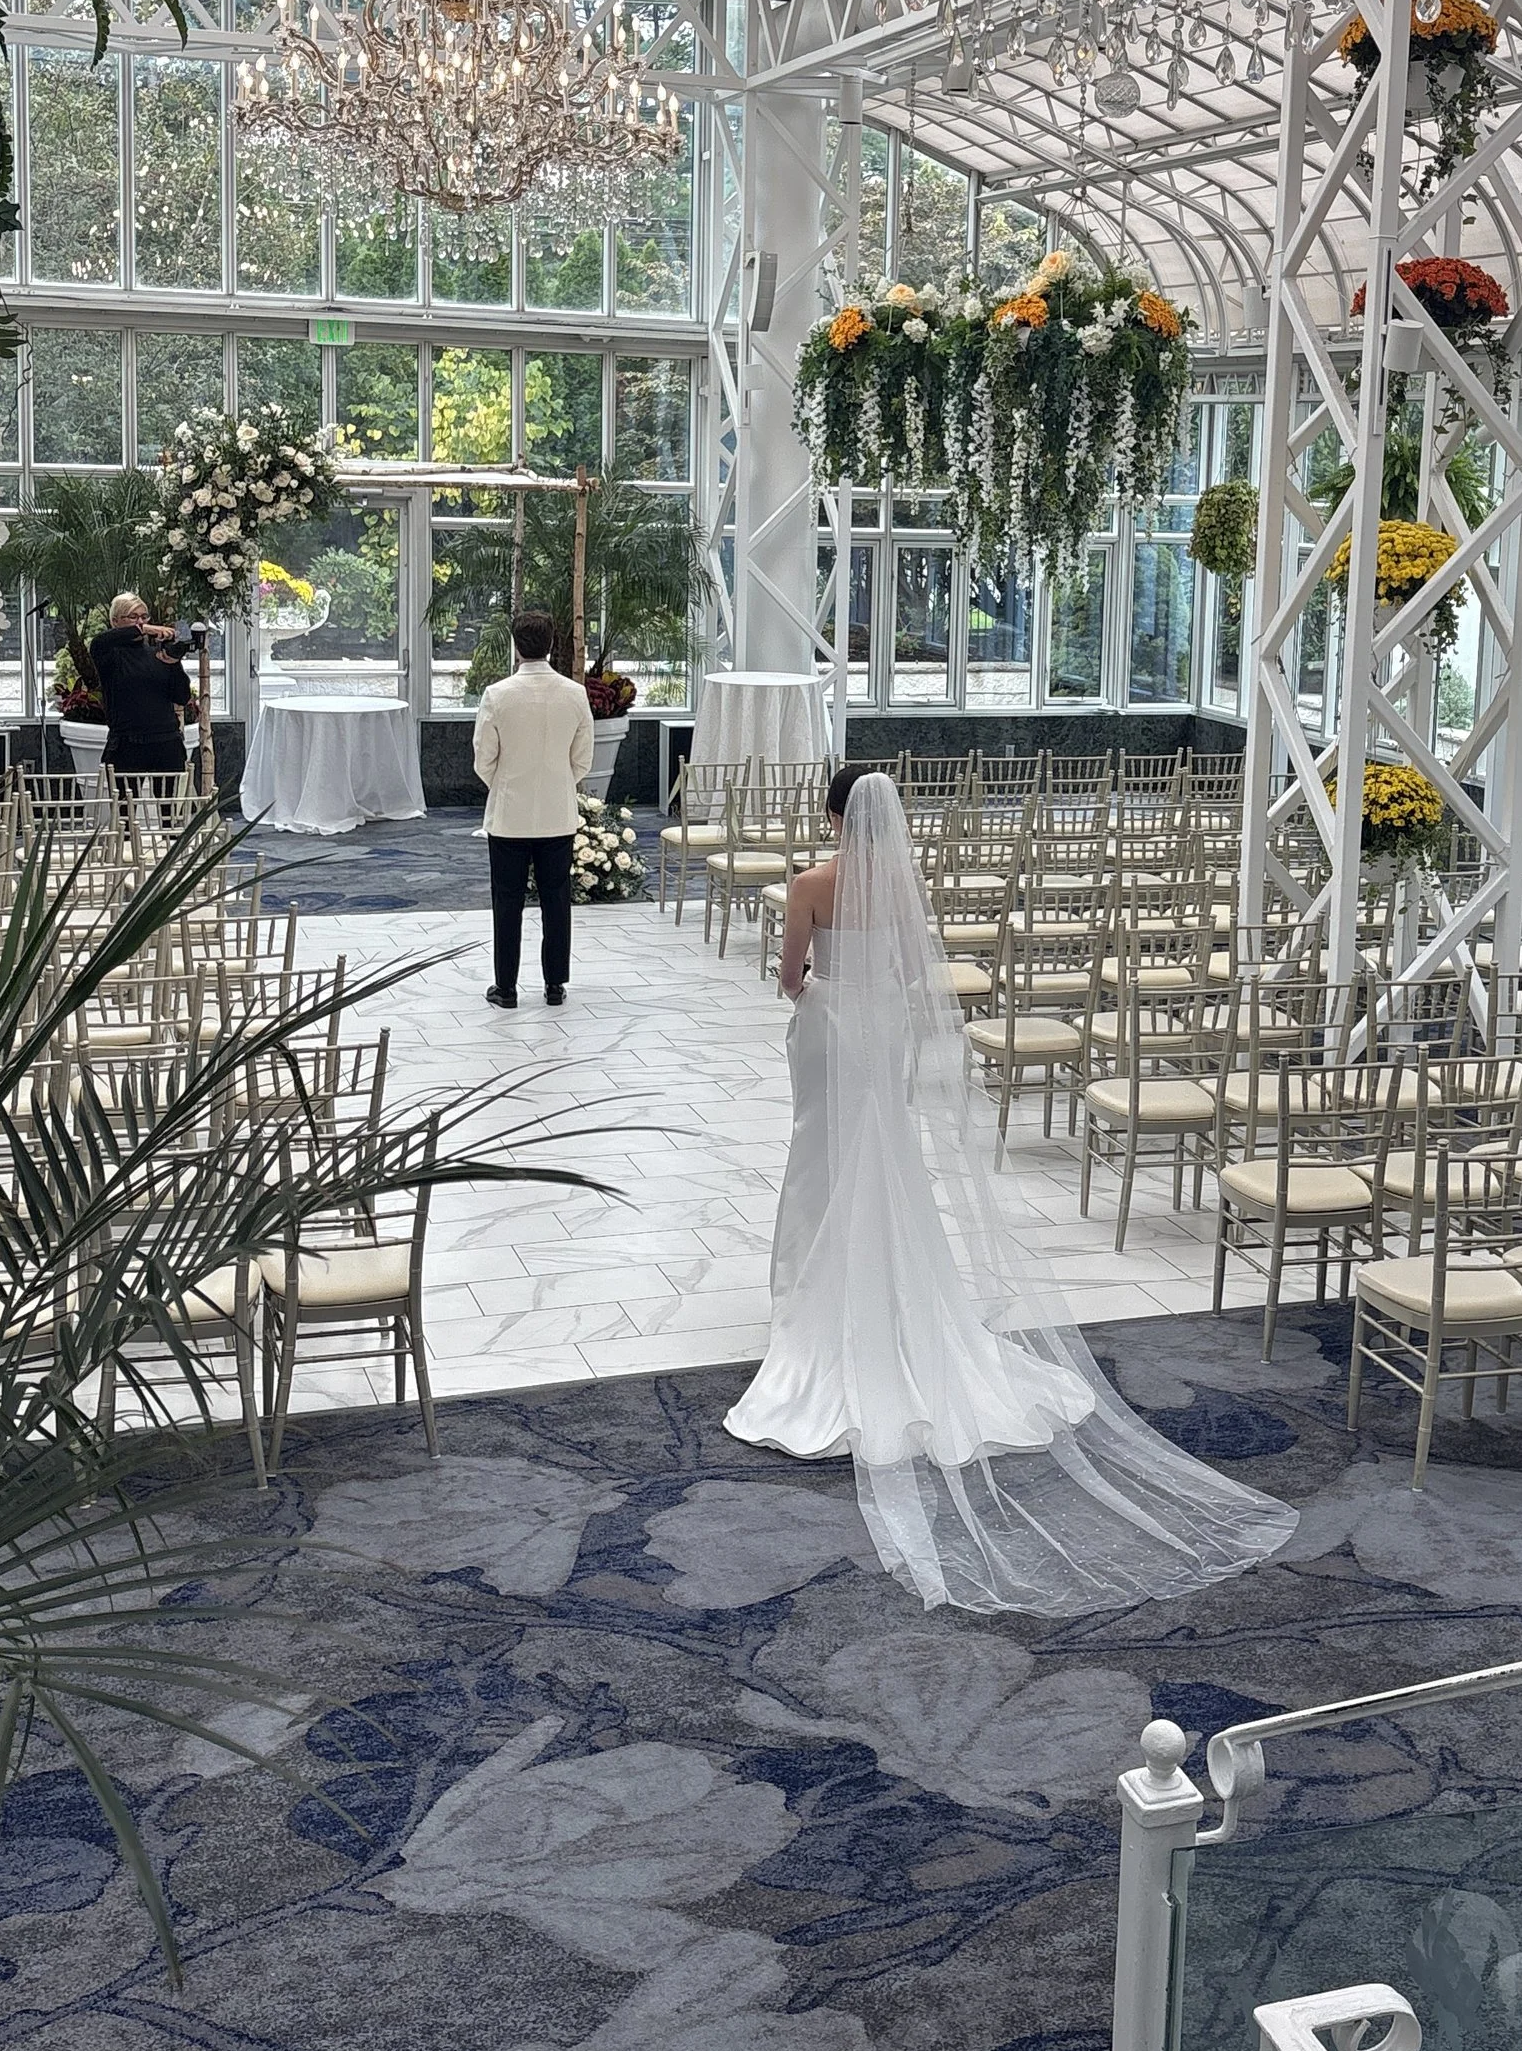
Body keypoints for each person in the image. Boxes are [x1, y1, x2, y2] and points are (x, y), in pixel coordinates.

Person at [725, 765, 1298, 1616]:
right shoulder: (901, 888)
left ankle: (813, 1299)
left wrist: (820, 994)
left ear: (832, 814)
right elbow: (912, 977)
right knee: (891, 1159)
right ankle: (895, 1293)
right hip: (881, 1033)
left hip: (831, 1028)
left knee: (823, 1157)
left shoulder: (812, 882)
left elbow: (790, 977)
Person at [471, 609, 595, 1008]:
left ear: (515, 645)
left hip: (509, 816)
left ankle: (505, 987)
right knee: (556, 899)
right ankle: (555, 985)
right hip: (557, 814)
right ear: (553, 644)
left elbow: (483, 758)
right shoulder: (575, 694)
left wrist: (506, 785)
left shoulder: (498, 695)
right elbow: (583, 760)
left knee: (506, 900)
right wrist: (557, 783)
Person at [88, 592, 195, 790]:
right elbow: (99, 642)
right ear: (115, 621)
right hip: (127, 744)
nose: (141, 622)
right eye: (133, 617)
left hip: (165, 742)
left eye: (144, 617)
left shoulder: (158, 654)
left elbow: (181, 696)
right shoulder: (109, 655)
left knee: (170, 814)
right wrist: (144, 628)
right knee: (125, 813)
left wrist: (174, 665)